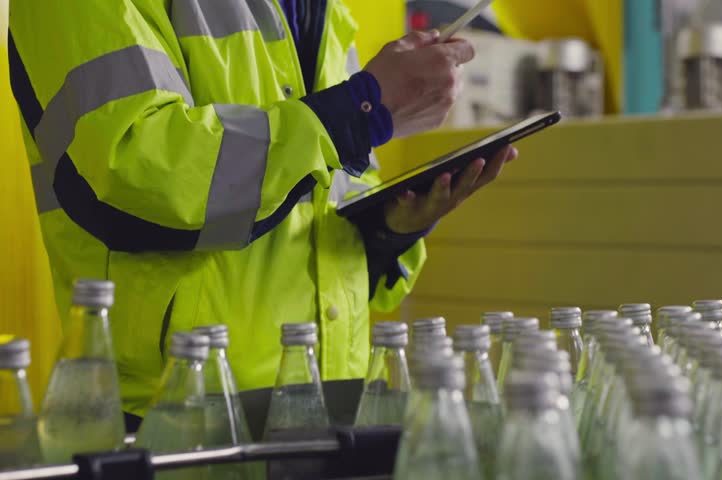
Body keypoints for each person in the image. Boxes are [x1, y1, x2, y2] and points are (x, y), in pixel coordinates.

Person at [8, 0, 517, 418]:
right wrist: (358, 112)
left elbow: (315, 188)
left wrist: (388, 230)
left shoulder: (322, 11)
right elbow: (134, 175)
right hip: (169, 417)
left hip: (327, 401)